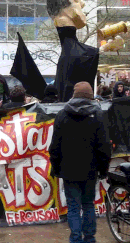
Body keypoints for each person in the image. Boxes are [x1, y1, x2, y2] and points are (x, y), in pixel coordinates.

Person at [49, 81, 111, 243]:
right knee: (88, 204)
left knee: (74, 207)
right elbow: (104, 146)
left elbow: (54, 146)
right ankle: (89, 238)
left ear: (74, 95)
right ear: (91, 96)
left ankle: (75, 239)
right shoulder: (97, 115)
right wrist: (103, 169)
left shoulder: (62, 115)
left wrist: (56, 167)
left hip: (69, 170)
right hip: (90, 170)